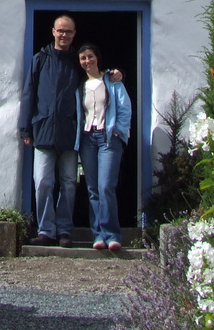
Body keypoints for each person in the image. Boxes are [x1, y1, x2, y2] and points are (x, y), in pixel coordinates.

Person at [20, 14, 80, 245]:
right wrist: (26, 128)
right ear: (53, 32)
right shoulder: (40, 60)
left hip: (70, 131)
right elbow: (29, 94)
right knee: (43, 181)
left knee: (69, 183)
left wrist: (117, 75)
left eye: (68, 31)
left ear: (74, 34)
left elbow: (96, 80)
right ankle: (46, 230)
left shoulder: (78, 61)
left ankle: (64, 230)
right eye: (60, 31)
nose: (64, 35)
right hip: (43, 129)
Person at [74, 42, 132, 251]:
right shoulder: (80, 86)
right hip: (88, 139)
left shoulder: (112, 81)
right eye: (83, 58)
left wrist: (118, 131)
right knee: (92, 189)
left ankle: (112, 234)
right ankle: (98, 234)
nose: (87, 61)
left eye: (90, 56)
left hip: (108, 138)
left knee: (106, 186)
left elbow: (125, 107)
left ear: (97, 58)